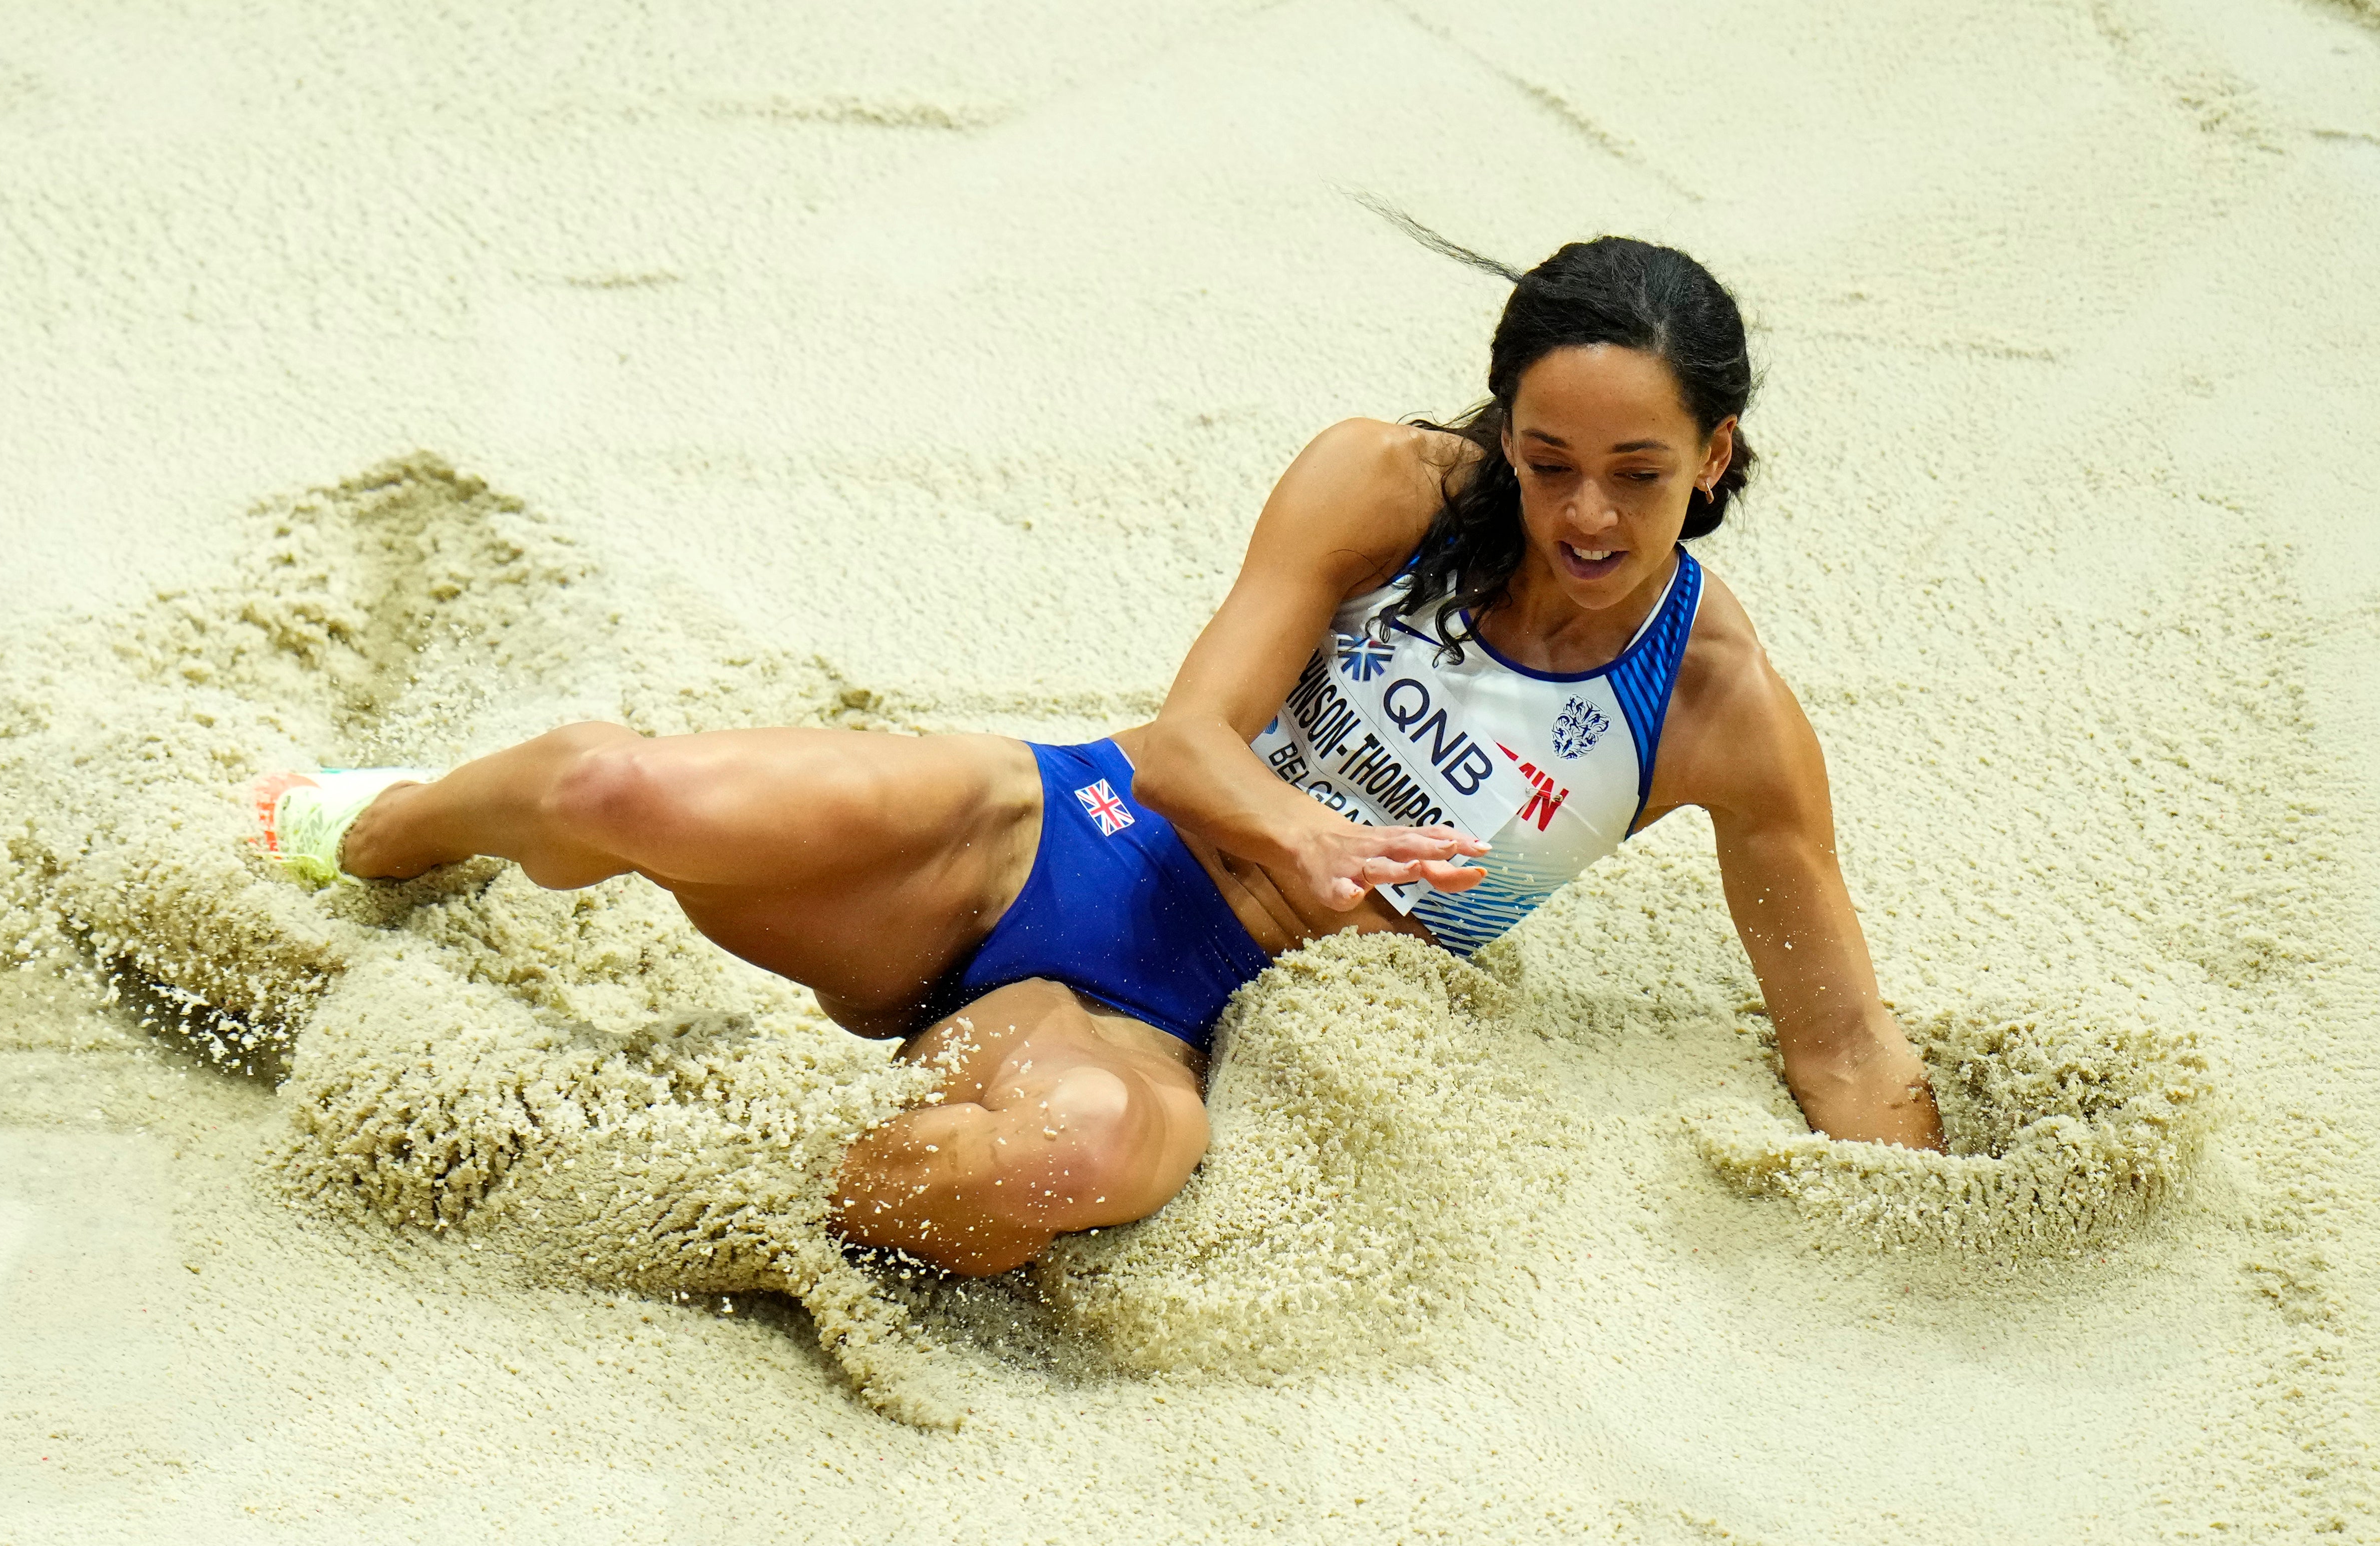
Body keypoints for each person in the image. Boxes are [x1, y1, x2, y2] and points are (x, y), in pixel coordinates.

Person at [251, 233, 1943, 1279]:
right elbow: (1195, 739)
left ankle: (696, 1197)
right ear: (1500, 423)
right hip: (1051, 834)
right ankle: (377, 831)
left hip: (1173, 1011)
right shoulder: (1387, 485)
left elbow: (1845, 1038)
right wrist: (1317, 839)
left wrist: (1927, 1230)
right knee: (610, 796)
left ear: (1717, 456)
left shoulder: (1720, 717)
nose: (1583, 513)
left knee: (1060, 1166)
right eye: (1548, 455)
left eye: (1638, 473)